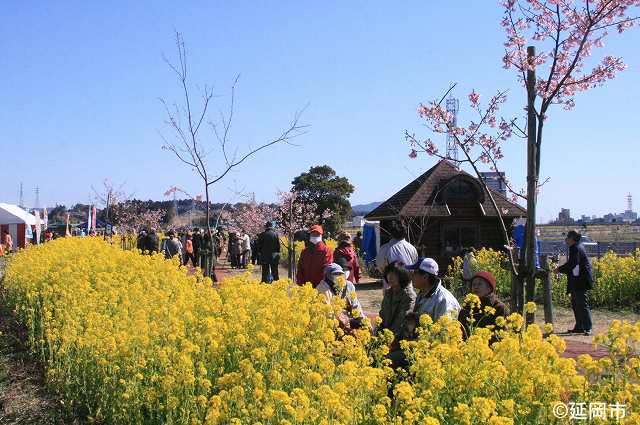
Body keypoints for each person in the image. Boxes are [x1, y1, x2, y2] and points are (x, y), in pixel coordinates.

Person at [403, 257, 460, 338]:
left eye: (414, 272)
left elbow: (444, 333)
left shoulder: (444, 300)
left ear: (425, 277)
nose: (411, 275)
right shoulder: (422, 293)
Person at [554, 230, 593, 336]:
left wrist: (559, 269)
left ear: (572, 238)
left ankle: (588, 327)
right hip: (577, 280)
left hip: (581, 280)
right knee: (576, 304)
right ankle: (579, 327)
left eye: (567, 237)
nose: (566, 239)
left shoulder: (576, 248)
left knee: (582, 304)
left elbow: (572, 264)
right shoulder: (575, 247)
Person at [457, 271, 509, 340]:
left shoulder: (499, 308)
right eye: (474, 284)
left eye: (479, 284)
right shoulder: (467, 306)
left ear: (489, 288)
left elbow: (500, 336)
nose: (476, 287)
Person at [316, 263, 366, 330]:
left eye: (340, 274)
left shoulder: (349, 285)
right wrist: (340, 319)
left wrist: (363, 321)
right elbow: (327, 311)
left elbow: (356, 305)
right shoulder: (322, 288)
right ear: (328, 276)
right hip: (332, 321)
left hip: (348, 319)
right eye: (335, 274)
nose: (338, 276)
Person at [378, 262, 417, 342]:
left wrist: (388, 339)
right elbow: (382, 315)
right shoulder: (388, 293)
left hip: (401, 339)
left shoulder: (409, 296)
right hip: (385, 335)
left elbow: (401, 322)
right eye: (388, 274)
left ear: (402, 276)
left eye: (394, 274)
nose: (390, 277)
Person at [376, 221, 418, 288]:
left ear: (391, 233)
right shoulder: (412, 248)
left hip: (390, 286)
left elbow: (380, 266)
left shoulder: (384, 249)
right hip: (407, 286)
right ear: (405, 232)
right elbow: (414, 266)